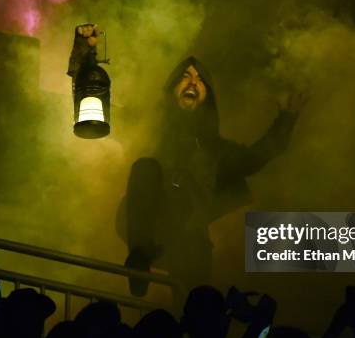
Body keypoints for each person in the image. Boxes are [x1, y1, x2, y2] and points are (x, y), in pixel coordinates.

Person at [74, 24, 308, 295]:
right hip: (146, 227)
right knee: (146, 167)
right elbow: (97, 93)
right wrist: (85, 52)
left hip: (189, 239)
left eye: (199, 80)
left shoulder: (216, 150)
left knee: (195, 268)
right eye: (185, 77)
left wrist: (287, 120)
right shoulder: (149, 125)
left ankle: (192, 316)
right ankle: (138, 260)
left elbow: (258, 156)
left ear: (207, 94)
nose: (193, 83)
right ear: (173, 88)